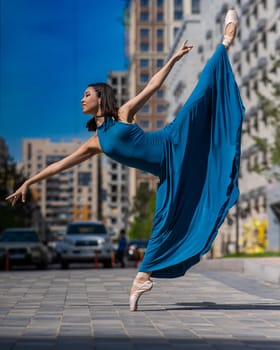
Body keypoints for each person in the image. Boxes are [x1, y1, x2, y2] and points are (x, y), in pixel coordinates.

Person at [6, 10, 243, 312]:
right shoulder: (95, 143)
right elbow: (58, 166)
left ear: (100, 98)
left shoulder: (122, 115)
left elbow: (152, 87)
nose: (82, 99)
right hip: (167, 172)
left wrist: (173, 60)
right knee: (162, 223)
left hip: (173, 141)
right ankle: (142, 277)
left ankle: (225, 41)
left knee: (199, 97)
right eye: (82, 95)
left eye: (87, 94)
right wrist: (28, 180)